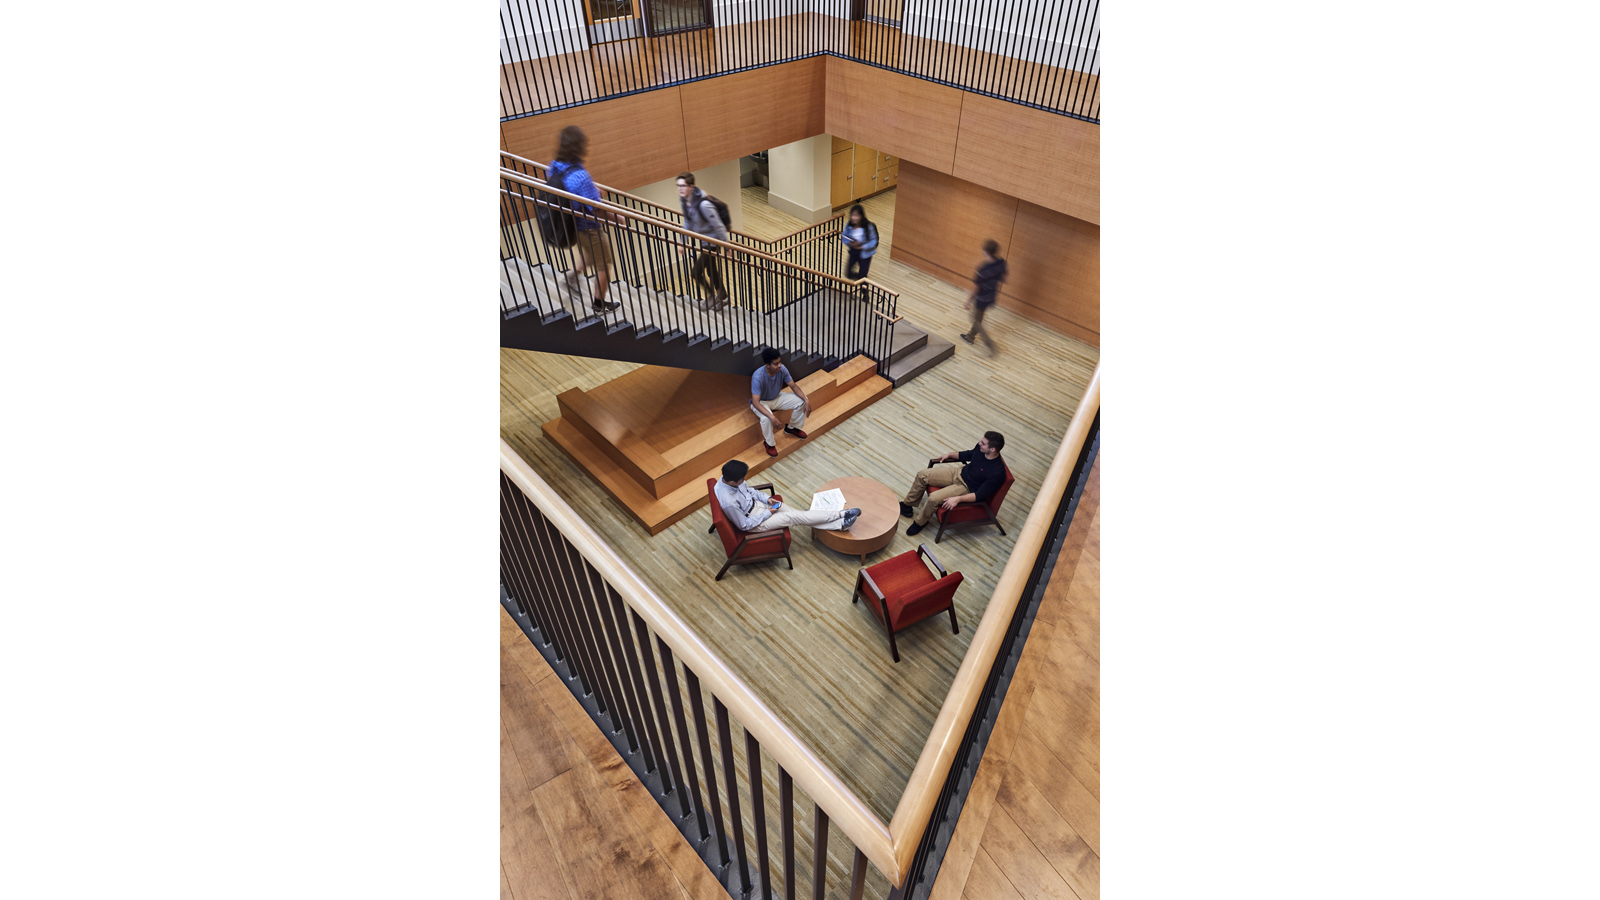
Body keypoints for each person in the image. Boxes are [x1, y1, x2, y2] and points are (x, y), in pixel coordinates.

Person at [549, 125, 622, 315]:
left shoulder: (556, 166)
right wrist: (619, 218)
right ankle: (599, 305)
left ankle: (572, 277)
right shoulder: (582, 177)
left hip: (572, 226)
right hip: (589, 227)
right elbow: (596, 208)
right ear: (579, 147)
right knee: (604, 265)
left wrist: (592, 190)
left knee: (590, 253)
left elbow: (572, 191)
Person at [900, 431, 1007, 536]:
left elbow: (980, 495)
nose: (979, 443)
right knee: (922, 475)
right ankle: (907, 505)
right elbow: (969, 454)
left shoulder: (997, 472)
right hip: (959, 472)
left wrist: (958, 499)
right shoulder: (981, 449)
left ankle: (920, 523)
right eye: (981, 441)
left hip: (966, 487)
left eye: (983, 443)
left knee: (933, 498)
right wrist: (950, 454)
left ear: (992, 449)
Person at [715, 460, 860, 533]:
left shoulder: (732, 478)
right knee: (792, 517)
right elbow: (744, 525)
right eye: (742, 479)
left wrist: (766, 500)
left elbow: (750, 491)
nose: (744, 480)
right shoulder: (729, 502)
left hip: (760, 506)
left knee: (799, 514)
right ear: (733, 482)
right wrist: (768, 512)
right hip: (755, 522)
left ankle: (840, 524)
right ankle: (841, 514)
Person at [676, 172, 730, 311]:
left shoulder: (704, 205)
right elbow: (688, 222)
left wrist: (727, 246)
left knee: (696, 272)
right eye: (678, 186)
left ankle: (712, 295)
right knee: (711, 270)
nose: (680, 189)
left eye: (683, 186)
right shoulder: (686, 202)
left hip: (713, 242)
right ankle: (723, 297)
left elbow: (718, 225)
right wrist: (682, 242)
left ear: (691, 187)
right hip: (704, 241)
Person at [750, 348, 810, 458]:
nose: (779, 365)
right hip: (762, 402)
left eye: (780, 362)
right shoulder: (758, 376)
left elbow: (793, 386)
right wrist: (772, 417)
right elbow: (755, 402)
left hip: (776, 397)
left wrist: (806, 400)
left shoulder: (782, 369)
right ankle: (769, 443)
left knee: (802, 400)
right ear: (767, 365)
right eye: (776, 364)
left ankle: (792, 428)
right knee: (766, 419)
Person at [960, 239, 1008, 353]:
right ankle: (970, 337)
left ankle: (990, 344)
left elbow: (976, 288)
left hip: (982, 298)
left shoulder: (983, 270)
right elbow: (1004, 279)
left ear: (986, 252)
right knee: (979, 318)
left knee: (975, 320)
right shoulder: (1001, 263)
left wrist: (968, 302)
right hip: (991, 296)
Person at [840, 204, 879, 283]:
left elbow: (874, 241)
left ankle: (865, 292)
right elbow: (844, 236)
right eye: (852, 215)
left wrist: (862, 246)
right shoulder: (849, 225)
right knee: (848, 273)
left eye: (856, 215)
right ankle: (858, 279)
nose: (854, 218)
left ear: (861, 216)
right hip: (854, 251)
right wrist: (851, 243)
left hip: (865, 254)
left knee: (863, 277)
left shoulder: (869, 226)